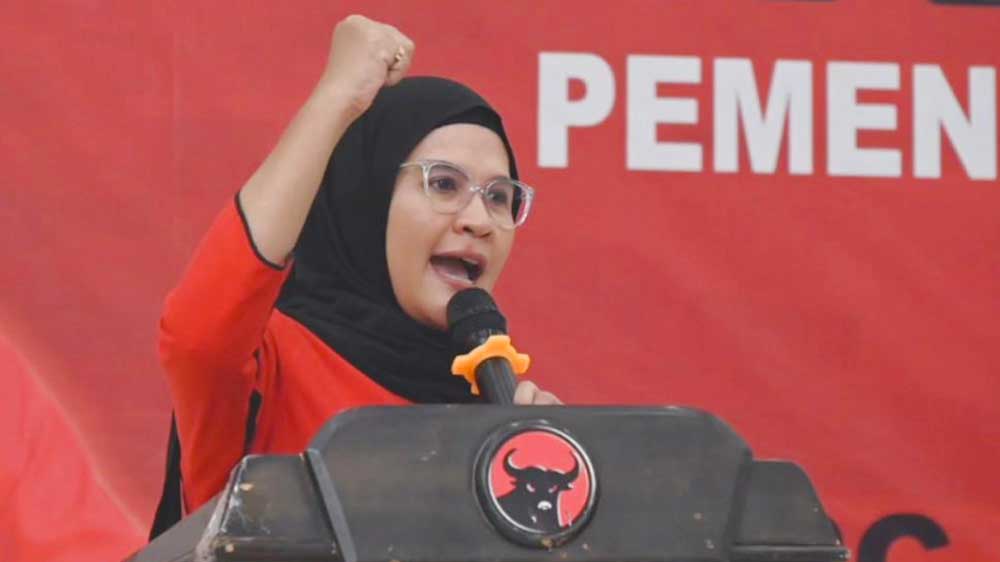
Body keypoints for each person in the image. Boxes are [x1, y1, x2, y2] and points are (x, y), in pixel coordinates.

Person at [156, 14, 560, 524]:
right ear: (365, 200)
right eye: (443, 184)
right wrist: (339, 98)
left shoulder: (503, 418)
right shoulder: (275, 363)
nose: (479, 221)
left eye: (499, 197)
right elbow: (198, 335)